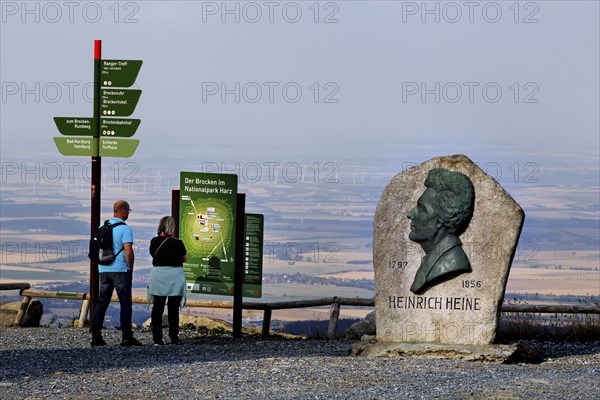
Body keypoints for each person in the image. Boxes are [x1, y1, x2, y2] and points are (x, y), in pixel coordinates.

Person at [407, 168, 475, 294]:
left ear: (440, 220)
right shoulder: (435, 257)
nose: (410, 214)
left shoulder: (453, 262)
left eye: (421, 208)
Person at [91, 200, 142, 346]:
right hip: (120, 270)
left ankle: (96, 336)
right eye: (128, 212)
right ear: (124, 211)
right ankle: (126, 337)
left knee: (102, 302)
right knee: (125, 303)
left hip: (103, 269)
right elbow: (128, 251)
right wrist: (130, 267)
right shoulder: (125, 229)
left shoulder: (103, 226)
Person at [148, 216, 188, 345]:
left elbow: (152, 254)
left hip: (158, 276)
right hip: (175, 277)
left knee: (157, 308)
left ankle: (157, 339)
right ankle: (174, 337)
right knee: (173, 309)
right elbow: (185, 258)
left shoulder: (154, 241)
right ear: (171, 227)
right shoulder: (177, 243)